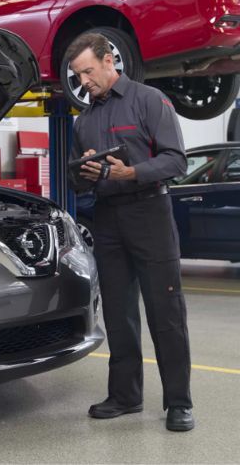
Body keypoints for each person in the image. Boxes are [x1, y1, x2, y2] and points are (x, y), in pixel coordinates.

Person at [65, 32, 194, 432]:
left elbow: (176, 161)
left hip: (150, 213)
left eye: (87, 71)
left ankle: (179, 402)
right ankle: (125, 396)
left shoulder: (149, 100)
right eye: (77, 76)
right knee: (119, 314)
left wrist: (132, 171)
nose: (84, 82)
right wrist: (85, 171)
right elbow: (77, 183)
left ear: (109, 61)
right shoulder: (83, 120)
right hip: (108, 218)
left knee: (165, 313)